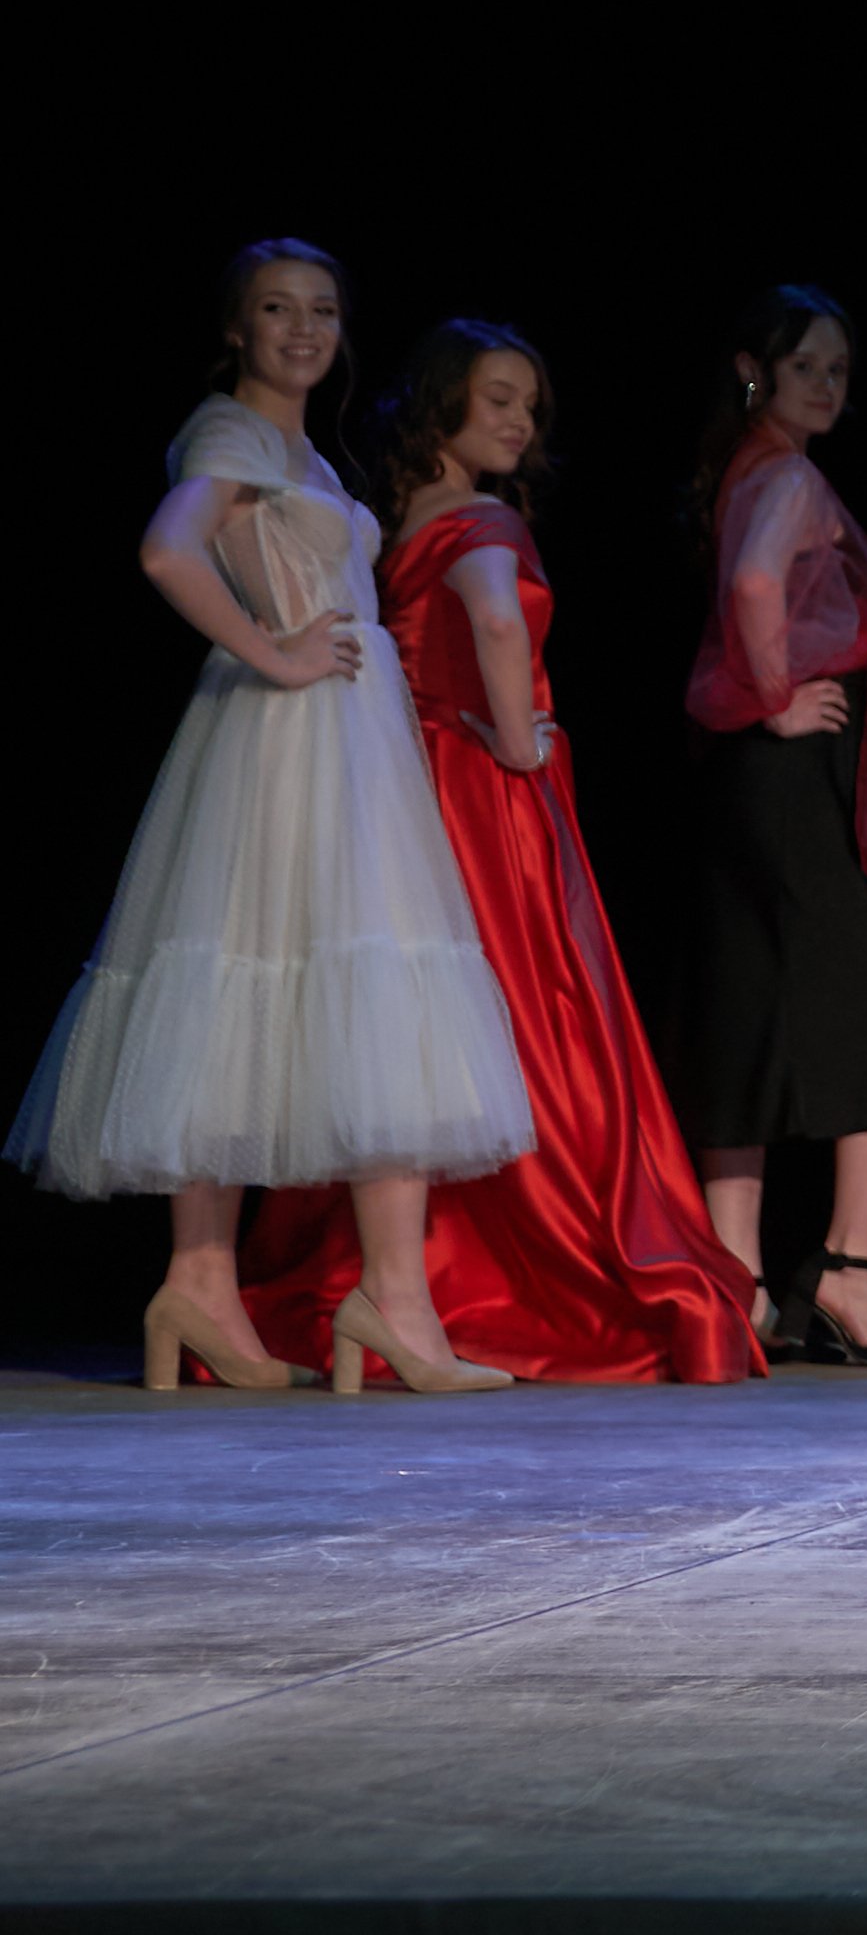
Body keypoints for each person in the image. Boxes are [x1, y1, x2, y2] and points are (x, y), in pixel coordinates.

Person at [19, 244, 531, 1396]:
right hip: (290, 732)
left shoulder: (297, 450)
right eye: (276, 309)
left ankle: (228, 1286)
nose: (303, 329)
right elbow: (168, 549)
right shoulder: (232, 435)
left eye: (323, 310)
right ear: (236, 327)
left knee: (312, 987)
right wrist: (272, 651)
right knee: (298, 981)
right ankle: (326, 1295)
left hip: (338, 736)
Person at [239, 322, 762, 1383]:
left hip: (398, 777)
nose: (521, 421)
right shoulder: (486, 520)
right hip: (480, 788)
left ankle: (395, 1279)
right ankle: (499, 1273)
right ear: (443, 404)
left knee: (408, 1028)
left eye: (531, 405)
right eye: (499, 399)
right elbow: (494, 622)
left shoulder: (398, 525)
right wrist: (523, 740)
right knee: (527, 1012)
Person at [676, 286, 867, 1364]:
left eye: (840, 369)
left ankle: (739, 1282)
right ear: (755, 370)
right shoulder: (788, 476)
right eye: (807, 367)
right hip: (782, 771)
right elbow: (756, 583)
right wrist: (774, 698)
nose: (828, 386)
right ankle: (848, 1269)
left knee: (747, 1009)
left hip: (744, 781)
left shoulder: (749, 468)